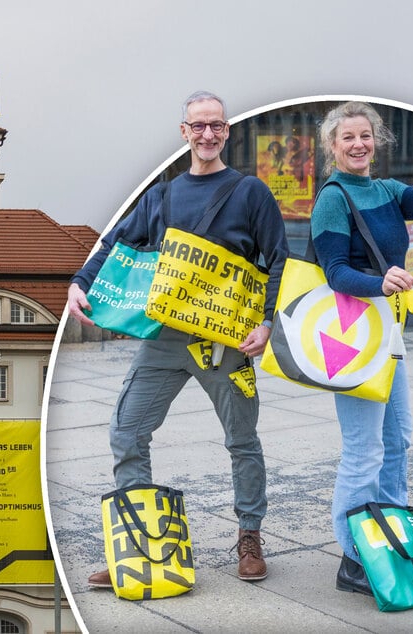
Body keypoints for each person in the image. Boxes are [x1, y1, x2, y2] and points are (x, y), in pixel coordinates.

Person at [67, 90, 289, 585]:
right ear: (184, 132)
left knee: (242, 440)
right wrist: (80, 281)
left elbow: (277, 258)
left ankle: (249, 537)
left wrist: (266, 322)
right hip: (164, 338)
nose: (208, 134)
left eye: (217, 125)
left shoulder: (250, 192)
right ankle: (138, 548)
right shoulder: (162, 195)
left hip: (227, 339)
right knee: (127, 432)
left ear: (226, 131)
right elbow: (116, 243)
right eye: (199, 126)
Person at [310, 101, 413, 596]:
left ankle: (390, 533)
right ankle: (355, 556)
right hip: (353, 336)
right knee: (364, 449)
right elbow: (335, 271)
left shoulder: (384, 190)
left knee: (397, 441)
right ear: (332, 147)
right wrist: (380, 282)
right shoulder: (333, 197)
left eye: (365, 136)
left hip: (389, 330)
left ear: (376, 140)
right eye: (347, 138)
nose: (358, 144)